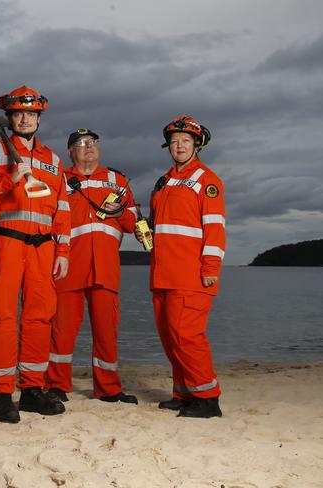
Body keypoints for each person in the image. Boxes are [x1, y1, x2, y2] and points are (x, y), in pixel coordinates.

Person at [0, 86, 71, 423]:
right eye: (18, 113)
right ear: (9, 116)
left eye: (30, 114)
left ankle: (32, 389)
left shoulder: (53, 160)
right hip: (6, 242)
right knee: (1, 317)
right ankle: (2, 394)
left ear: (38, 118)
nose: (24, 118)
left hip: (44, 247)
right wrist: (8, 179)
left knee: (39, 317)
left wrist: (63, 249)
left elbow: (62, 210)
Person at [136, 115, 226, 418]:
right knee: (169, 336)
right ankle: (185, 393)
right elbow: (161, 226)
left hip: (191, 274)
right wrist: (145, 231)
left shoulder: (207, 180)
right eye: (175, 142)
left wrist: (211, 268)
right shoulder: (165, 181)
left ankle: (208, 399)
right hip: (162, 273)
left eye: (186, 141)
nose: (179, 146)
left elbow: (215, 228)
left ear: (197, 145)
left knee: (187, 335)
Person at [45, 128, 139, 405]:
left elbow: (132, 223)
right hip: (67, 267)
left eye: (94, 142)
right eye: (81, 143)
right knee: (60, 332)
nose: (89, 147)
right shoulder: (59, 179)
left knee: (107, 332)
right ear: (70, 152)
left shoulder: (116, 179)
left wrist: (120, 211)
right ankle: (56, 385)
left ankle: (108, 388)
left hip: (106, 270)